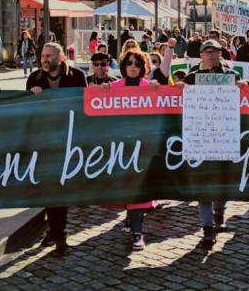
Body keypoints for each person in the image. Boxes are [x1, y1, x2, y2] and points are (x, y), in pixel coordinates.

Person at [178, 40, 248, 247]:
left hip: (225, 136)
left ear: (220, 54)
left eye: (215, 51)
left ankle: (219, 215)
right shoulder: (191, 77)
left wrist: (244, 87)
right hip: (200, 138)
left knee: (222, 181)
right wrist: (181, 89)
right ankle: (207, 228)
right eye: (207, 51)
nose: (211, 55)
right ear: (200, 55)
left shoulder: (231, 76)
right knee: (203, 183)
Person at [27, 42, 88, 254]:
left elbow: (84, 103)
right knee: (49, 188)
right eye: (42, 55)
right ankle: (56, 232)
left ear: (60, 58)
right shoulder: (34, 78)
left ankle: (58, 234)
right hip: (44, 141)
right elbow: (27, 109)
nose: (44, 59)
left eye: (49, 56)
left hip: (69, 139)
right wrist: (33, 95)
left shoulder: (77, 76)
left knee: (60, 188)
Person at [100, 50, 159, 250]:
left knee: (139, 190)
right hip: (121, 148)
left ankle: (137, 232)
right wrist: (103, 90)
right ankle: (130, 220)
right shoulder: (113, 87)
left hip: (142, 148)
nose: (133, 66)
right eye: (129, 63)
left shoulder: (150, 87)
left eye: (137, 64)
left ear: (143, 67)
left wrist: (158, 90)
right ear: (124, 66)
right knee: (126, 189)